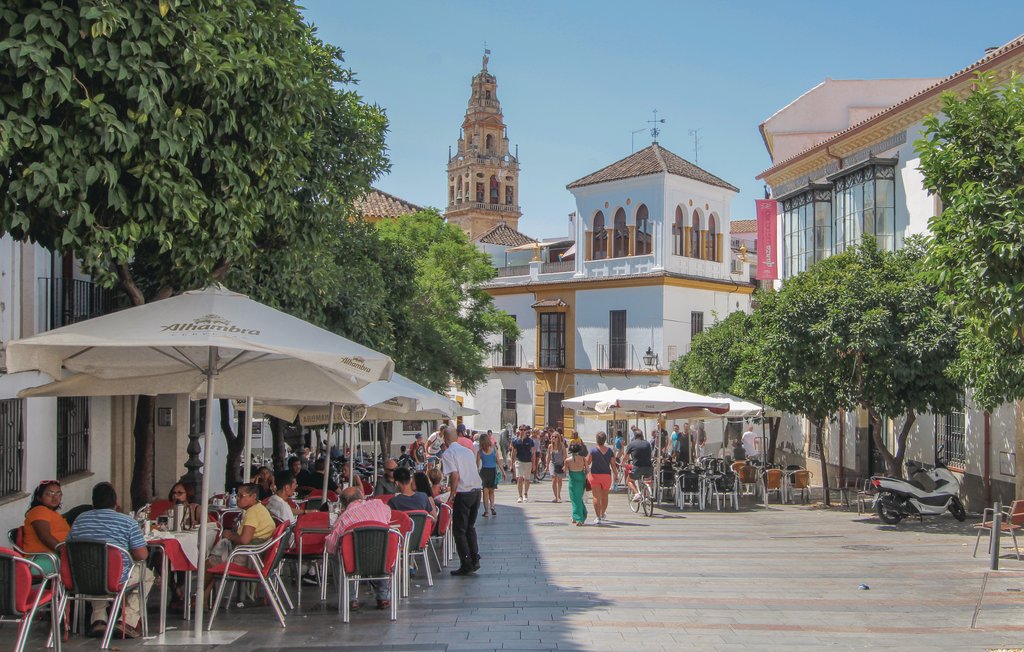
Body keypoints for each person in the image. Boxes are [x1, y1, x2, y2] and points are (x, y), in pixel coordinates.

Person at [68, 482, 153, 639]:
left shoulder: (80, 520)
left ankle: (99, 619)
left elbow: (69, 546)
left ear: (93, 503)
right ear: (116, 502)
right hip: (116, 578)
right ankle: (127, 621)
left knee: (97, 569)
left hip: (84, 577)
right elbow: (142, 555)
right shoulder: (127, 522)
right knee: (146, 575)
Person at [326, 486, 393, 611]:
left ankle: (350, 598)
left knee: (337, 555)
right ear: (361, 496)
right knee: (384, 545)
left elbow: (330, 547)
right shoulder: (379, 505)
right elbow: (388, 515)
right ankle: (383, 596)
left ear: (344, 504)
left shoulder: (344, 519)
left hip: (355, 561)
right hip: (380, 558)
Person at [441, 426, 482, 576]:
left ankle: (466, 563)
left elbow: (455, 476)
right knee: (470, 527)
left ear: (445, 439)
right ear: (456, 438)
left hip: (463, 492)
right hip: (476, 491)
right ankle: (475, 558)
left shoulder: (448, 453)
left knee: (459, 530)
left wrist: (452, 494)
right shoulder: (467, 451)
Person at [22, 480, 70, 575]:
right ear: (39, 497)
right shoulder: (39, 510)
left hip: (53, 557)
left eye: (58, 494)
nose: (55, 497)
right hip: (40, 560)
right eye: (49, 493)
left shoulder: (53, 514)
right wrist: (65, 552)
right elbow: (45, 537)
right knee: (82, 563)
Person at [586, 432, 617, 524]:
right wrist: (616, 474)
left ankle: (598, 517)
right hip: (606, 476)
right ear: (605, 440)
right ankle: (602, 513)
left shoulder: (593, 451)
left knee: (596, 496)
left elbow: (587, 462)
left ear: (596, 440)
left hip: (595, 475)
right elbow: (613, 465)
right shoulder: (610, 451)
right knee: (605, 496)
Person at [624, 429, 654, 501]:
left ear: (635, 436)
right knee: (648, 480)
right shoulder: (647, 443)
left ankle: (637, 494)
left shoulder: (632, 444)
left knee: (629, 481)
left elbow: (625, 457)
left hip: (637, 468)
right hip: (648, 468)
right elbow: (651, 454)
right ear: (642, 435)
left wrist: (623, 463)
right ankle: (647, 495)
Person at [476, 432, 501, 517]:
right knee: (492, 491)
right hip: (493, 471)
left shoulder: (480, 452)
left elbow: (477, 465)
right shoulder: (494, 449)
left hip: (484, 471)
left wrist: (476, 474)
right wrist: (503, 472)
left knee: (485, 492)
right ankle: (492, 506)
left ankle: (486, 511)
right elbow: (498, 461)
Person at [564, 439, 588, 526]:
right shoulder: (583, 459)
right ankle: (575, 516)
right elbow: (587, 470)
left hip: (573, 479)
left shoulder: (567, 460)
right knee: (578, 498)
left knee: (574, 499)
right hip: (581, 478)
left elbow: (565, 470)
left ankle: (579, 518)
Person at [510, 426, 536, 502]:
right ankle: (520, 496)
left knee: (527, 479)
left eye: (524, 430)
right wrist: (512, 463)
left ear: (526, 431)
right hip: (519, 461)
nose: (522, 431)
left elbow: (533, 452)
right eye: (521, 430)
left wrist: (534, 464)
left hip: (528, 461)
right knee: (519, 478)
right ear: (519, 430)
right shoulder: (515, 441)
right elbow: (513, 452)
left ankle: (525, 494)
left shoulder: (530, 441)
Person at [547, 432, 566, 503]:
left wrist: (565, 465)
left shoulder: (562, 446)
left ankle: (559, 495)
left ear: (558, 438)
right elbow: (548, 456)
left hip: (560, 464)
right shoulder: (550, 446)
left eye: (555, 437)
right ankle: (556, 496)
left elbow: (564, 455)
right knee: (553, 479)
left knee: (559, 480)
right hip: (552, 464)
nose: (553, 438)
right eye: (552, 437)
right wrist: (546, 466)